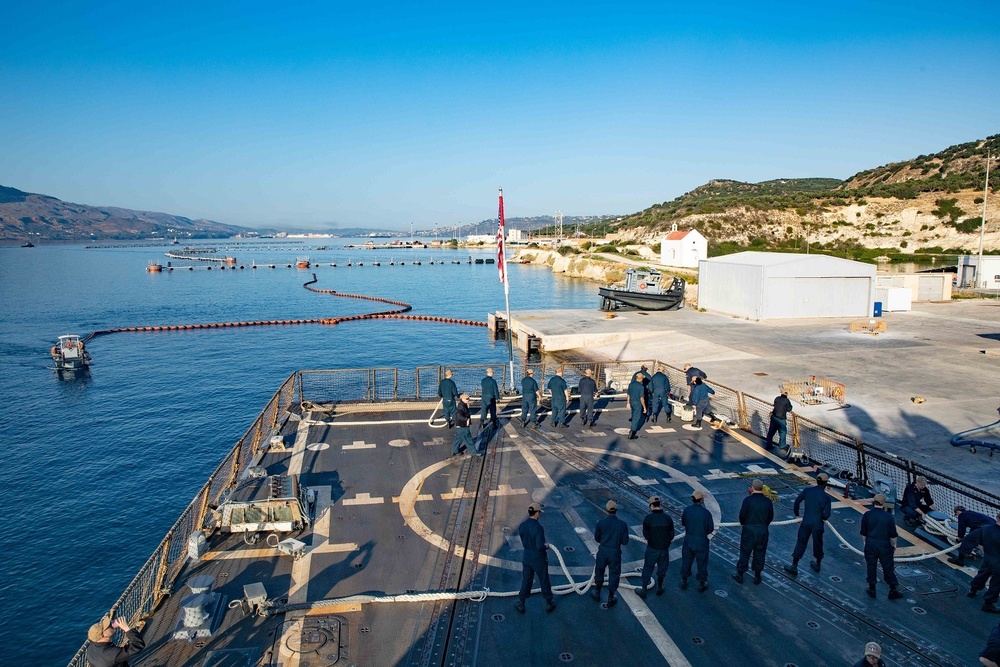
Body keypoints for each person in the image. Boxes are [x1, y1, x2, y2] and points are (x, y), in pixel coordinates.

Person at [784, 473, 833, 576]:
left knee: (801, 542)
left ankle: (794, 566)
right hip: (818, 524)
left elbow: (797, 502)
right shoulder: (826, 498)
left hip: (806, 522)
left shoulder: (808, 491)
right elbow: (827, 515)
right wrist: (821, 517)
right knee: (818, 543)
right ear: (825, 484)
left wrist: (797, 516)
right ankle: (818, 564)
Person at [515, 503, 556, 614]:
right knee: (544, 579)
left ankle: (521, 602)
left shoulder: (522, 525)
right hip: (538, 559)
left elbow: (523, 538)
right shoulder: (539, 528)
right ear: (537, 513)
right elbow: (539, 546)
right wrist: (546, 546)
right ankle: (549, 602)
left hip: (527, 557)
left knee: (527, 580)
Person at [861, 493, 903, 600]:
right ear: (883, 503)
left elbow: (863, 533)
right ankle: (892, 590)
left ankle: (872, 589)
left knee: (871, 566)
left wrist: (866, 543)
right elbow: (893, 535)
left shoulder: (867, 515)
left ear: (874, 502)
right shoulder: (888, 517)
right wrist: (894, 545)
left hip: (871, 544)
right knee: (888, 567)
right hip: (884, 546)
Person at [733, 479, 774, 585]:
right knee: (760, 553)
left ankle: (740, 575)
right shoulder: (768, 501)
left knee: (745, 552)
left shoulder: (748, 500)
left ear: (753, 488)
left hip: (749, 530)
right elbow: (770, 517)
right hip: (762, 531)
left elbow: (742, 515)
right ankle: (757, 576)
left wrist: (744, 523)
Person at [591, 500, 630, 607]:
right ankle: (610, 597)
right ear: (616, 510)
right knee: (614, 574)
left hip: (603, 551)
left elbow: (597, 538)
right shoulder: (623, 524)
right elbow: (625, 541)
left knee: (599, 571)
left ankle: (597, 593)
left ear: (607, 510)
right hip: (615, 552)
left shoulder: (600, 523)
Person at [638, 496, 675, 599]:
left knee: (647, 568)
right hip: (664, 549)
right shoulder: (668, 518)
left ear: (651, 506)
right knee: (662, 569)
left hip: (652, 549)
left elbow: (646, 535)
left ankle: (644, 590)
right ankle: (659, 587)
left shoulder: (648, 518)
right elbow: (671, 535)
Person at [680, 489, 714, 592]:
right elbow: (710, 529)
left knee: (686, 561)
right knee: (702, 563)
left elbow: (684, 523)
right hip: (701, 541)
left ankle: (684, 580)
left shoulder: (687, 510)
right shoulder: (706, 513)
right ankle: (701, 583)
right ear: (701, 500)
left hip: (689, 539)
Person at [968, 512, 1000, 614]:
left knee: (982, 574)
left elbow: (980, 544)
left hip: (987, 557)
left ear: (997, 517)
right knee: (996, 583)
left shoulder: (985, 528)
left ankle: (973, 590)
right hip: (998, 562)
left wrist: (987, 555)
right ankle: (988, 604)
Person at [625, 372, 646, 440]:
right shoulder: (641, 387)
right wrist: (644, 407)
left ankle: (632, 429)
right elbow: (641, 398)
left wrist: (628, 403)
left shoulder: (631, 384)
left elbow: (628, 394)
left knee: (633, 415)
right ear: (641, 379)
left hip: (631, 402)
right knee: (636, 418)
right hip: (637, 403)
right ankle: (632, 433)